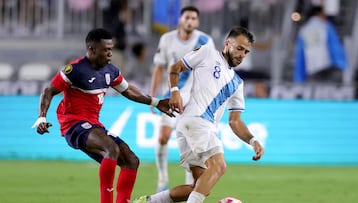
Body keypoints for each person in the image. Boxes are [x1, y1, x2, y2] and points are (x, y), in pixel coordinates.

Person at [32, 28, 175, 203]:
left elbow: (128, 90)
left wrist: (155, 102)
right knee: (111, 149)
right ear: (92, 50)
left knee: (131, 160)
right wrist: (42, 117)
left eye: (111, 49)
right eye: (105, 49)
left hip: (94, 125)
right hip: (74, 125)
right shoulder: (75, 70)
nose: (109, 53)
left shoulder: (111, 71)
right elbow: (48, 91)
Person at [133, 26, 264, 203]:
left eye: (246, 52)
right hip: (197, 122)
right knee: (218, 166)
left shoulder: (237, 83)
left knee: (199, 186)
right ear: (227, 44)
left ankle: (148, 201)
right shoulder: (207, 53)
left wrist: (252, 140)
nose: (242, 54)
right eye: (239, 48)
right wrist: (174, 91)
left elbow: (235, 122)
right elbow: (176, 67)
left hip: (191, 127)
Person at [149, 6, 216, 192]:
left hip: (194, 100)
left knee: (192, 142)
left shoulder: (205, 41)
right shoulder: (167, 39)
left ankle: (189, 181)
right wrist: (153, 96)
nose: (190, 21)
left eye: (194, 18)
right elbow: (159, 68)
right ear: (181, 19)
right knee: (163, 137)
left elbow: (210, 71)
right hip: (171, 95)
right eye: (187, 17)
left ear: (197, 22)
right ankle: (162, 179)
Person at [294, 5, 347, 83]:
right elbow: (335, 47)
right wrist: (341, 64)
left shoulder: (304, 31)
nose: (326, 16)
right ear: (319, 14)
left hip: (312, 69)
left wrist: (299, 77)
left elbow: (300, 55)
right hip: (328, 67)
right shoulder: (326, 26)